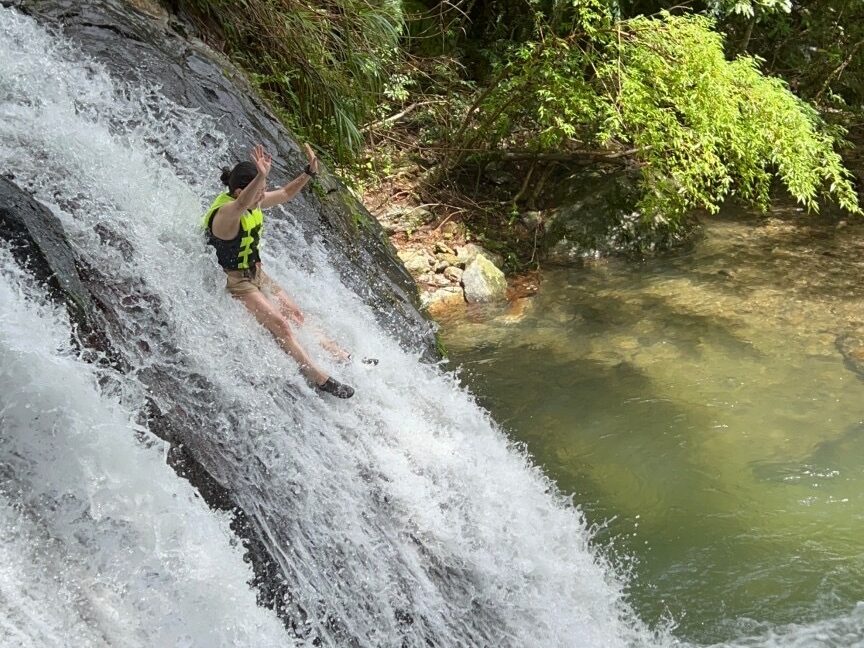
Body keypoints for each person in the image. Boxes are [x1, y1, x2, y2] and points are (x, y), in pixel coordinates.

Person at [203, 143, 354, 399]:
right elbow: (240, 205)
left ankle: (342, 356)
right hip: (235, 281)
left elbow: (284, 193)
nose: (264, 195)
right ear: (242, 191)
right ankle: (318, 377)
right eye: (260, 190)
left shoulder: (253, 202)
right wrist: (261, 175)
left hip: (255, 272)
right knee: (280, 325)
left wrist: (308, 173)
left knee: (295, 313)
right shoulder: (227, 213)